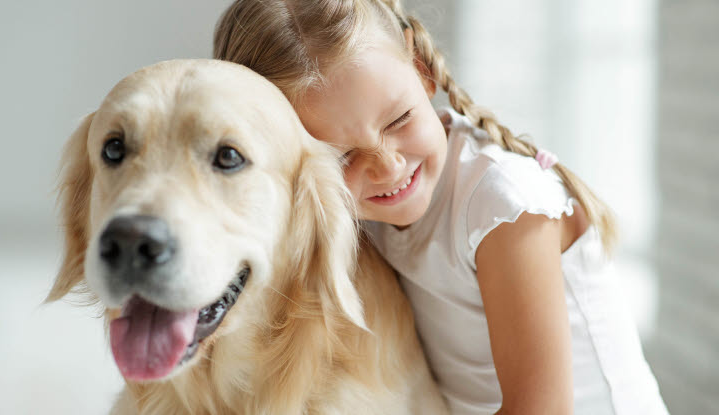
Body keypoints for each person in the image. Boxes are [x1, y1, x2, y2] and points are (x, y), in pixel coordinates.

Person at [213, 1, 670, 413]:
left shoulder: (501, 206)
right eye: (343, 157)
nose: (388, 167)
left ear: (421, 68)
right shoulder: (354, 212)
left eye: (399, 119)